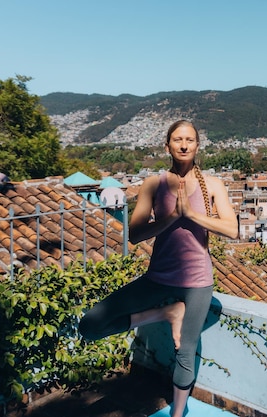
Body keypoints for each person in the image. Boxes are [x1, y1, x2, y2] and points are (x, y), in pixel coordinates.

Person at [79, 120, 238, 417]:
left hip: (198, 282)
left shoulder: (213, 185)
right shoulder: (154, 184)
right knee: (89, 325)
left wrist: (190, 213)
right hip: (158, 278)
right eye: (177, 139)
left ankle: (177, 413)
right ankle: (164, 312)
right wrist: (173, 217)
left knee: (185, 351)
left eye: (190, 139)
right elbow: (135, 233)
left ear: (197, 145)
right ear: (167, 145)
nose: (183, 144)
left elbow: (232, 230)